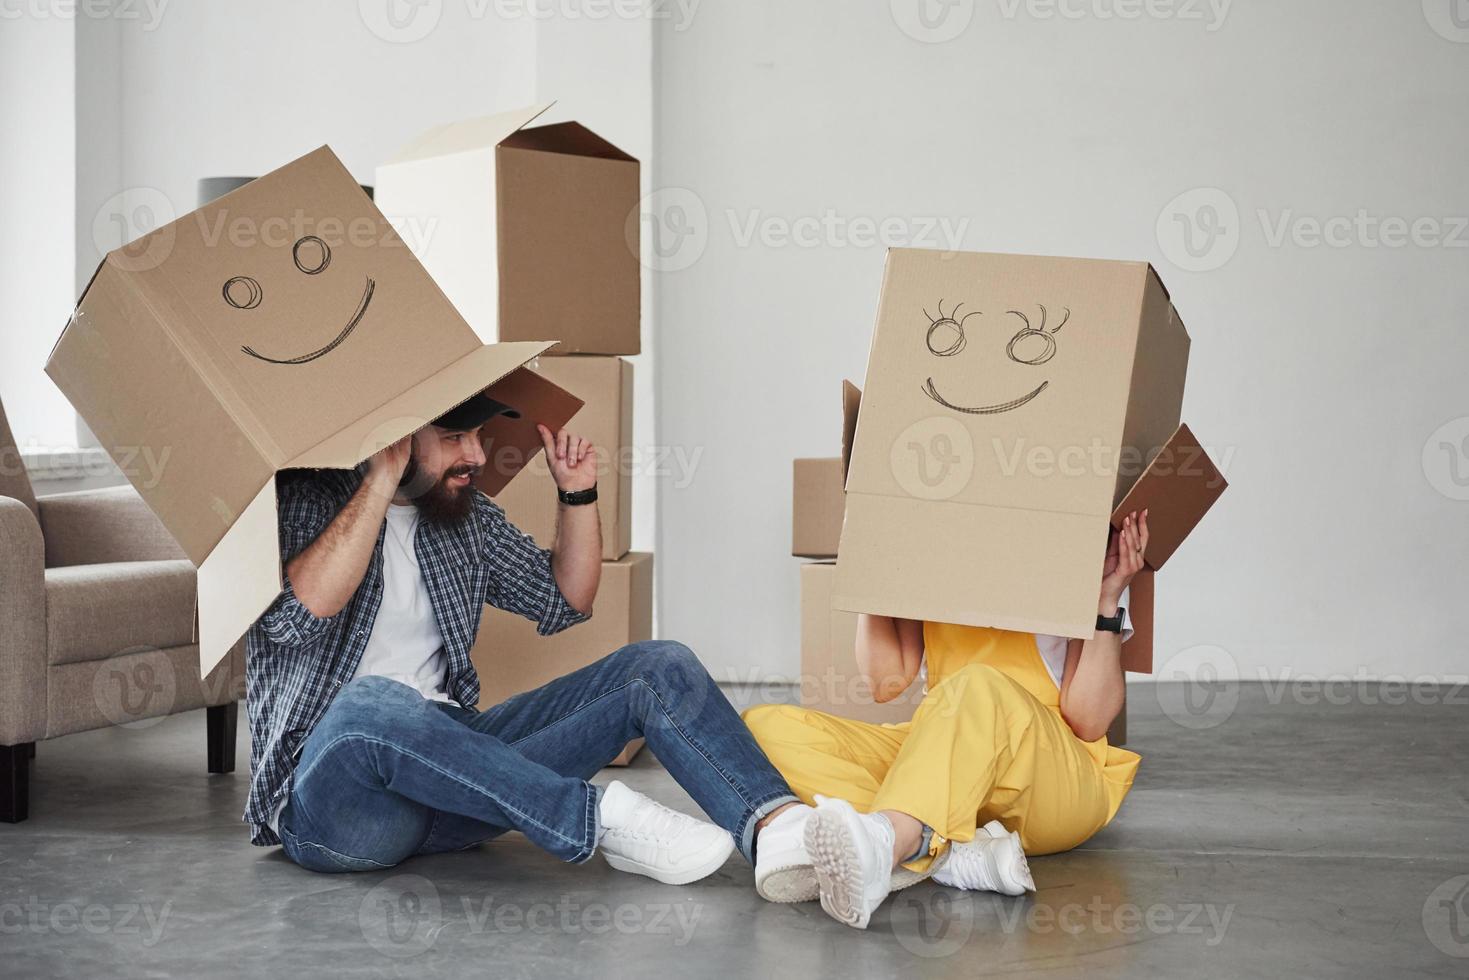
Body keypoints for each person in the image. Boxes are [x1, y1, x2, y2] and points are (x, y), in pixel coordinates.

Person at [243, 393, 808, 884]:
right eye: (455, 438)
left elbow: (565, 600)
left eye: (479, 437)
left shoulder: (466, 519)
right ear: (396, 437)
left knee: (659, 665)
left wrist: (578, 495)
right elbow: (299, 615)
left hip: (460, 786)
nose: (478, 456)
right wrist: (378, 480)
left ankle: (779, 832)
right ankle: (597, 818)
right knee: (376, 701)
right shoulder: (303, 501)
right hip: (340, 804)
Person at [743, 513, 1148, 928]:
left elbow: (1088, 719)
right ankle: (949, 850)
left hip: (1049, 786)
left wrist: (1104, 600)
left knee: (977, 687)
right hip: (948, 764)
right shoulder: (930, 547)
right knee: (761, 730)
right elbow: (886, 681)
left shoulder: (1079, 551)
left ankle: (891, 842)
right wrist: (870, 569)